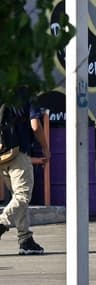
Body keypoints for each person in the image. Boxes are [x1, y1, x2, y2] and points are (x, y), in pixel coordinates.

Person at [0, 92, 48, 255]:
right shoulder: (26, 93)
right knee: (23, 195)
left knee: (17, 197)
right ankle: (2, 221)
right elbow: (35, 126)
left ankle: (25, 239)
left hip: (2, 153)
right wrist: (45, 148)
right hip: (19, 152)